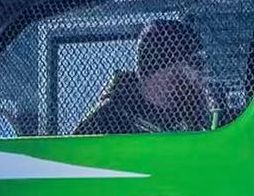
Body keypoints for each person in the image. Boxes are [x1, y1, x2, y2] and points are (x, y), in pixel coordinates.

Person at [74, 17, 215, 136]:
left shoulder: (189, 116)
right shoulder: (108, 121)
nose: (205, 71)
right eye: (196, 62)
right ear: (168, 66)